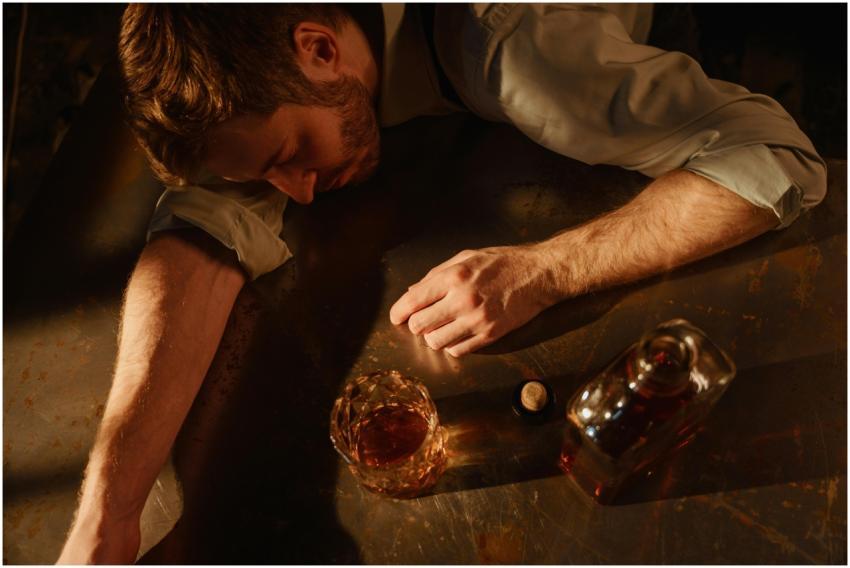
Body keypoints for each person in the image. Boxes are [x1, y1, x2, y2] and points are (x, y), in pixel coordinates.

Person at [58, 3, 825, 563]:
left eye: (292, 151)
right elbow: (200, 230)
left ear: (320, 45)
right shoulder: (259, 49)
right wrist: (107, 515)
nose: (295, 194)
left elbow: (776, 162)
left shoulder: (526, 60)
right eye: (266, 171)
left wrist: (545, 269)